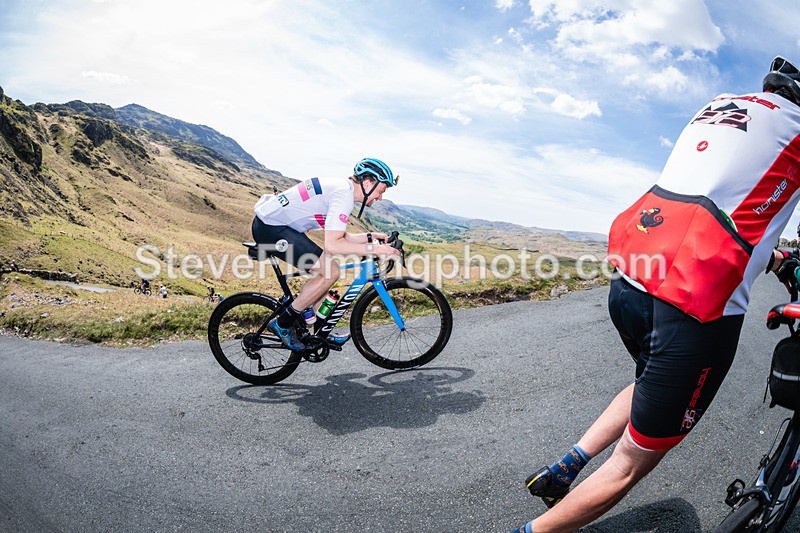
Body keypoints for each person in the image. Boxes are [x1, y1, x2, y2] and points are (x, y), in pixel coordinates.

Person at [513, 56, 800, 533]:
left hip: (635, 268)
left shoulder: (722, 106)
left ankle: (565, 467)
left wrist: (774, 258)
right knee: (628, 464)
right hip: (695, 299)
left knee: (648, 379)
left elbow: (726, 206)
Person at [252, 157, 401, 350]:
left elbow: (340, 236)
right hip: (271, 229)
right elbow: (333, 245)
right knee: (330, 271)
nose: (380, 197)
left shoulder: (341, 190)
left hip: (281, 227)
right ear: (367, 183)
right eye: (381, 191)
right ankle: (282, 324)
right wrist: (378, 249)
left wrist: (370, 237)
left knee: (326, 270)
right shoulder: (343, 196)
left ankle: (320, 332)